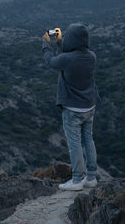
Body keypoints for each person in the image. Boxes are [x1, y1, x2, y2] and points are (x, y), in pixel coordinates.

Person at [42, 23, 100, 191]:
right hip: (89, 106)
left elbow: (51, 62)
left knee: (74, 144)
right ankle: (91, 177)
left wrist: (46, 44)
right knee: (88, 140)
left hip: (72, 109)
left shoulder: (66, 59)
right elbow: (71, 54)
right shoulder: (91, 56)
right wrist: (60, 42)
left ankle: (76, 180)